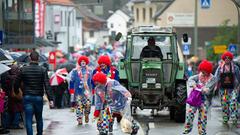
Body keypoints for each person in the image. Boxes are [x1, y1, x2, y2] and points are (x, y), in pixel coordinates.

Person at [14, 51, 54, 135]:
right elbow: (47, 85)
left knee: (28, 119)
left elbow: (16, 82)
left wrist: (16, 91)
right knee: (39, 118)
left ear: (29, 58)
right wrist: (50, 99)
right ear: (38, 58)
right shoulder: (43, 70)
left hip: (27, 97)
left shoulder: (23, 69)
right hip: (38, 97)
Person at [183, 60, 217, 135]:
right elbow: (190, 79)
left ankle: (202, 132)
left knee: (202, 117)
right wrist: (193, 84)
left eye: (204, 71)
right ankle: (187, 128)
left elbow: (209, 89)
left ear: (208, 70)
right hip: (195, 98)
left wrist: (205, 89)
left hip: (205, 100)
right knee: (190, 113)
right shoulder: (199, 75)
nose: (203, 73)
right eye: (202, 71)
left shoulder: (213, 78)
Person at [214, 51, 240, 125]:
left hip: (233, 89)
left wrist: (238, 87)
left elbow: (239, 78)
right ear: (223, 59)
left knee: (233, 101)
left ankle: (234, 116)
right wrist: (215, 87)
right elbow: (216, 78)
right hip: (223, 89)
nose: (227, 59)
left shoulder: (235, 68)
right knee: (225, 103)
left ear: (231, 59)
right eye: (226, 58)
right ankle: (225, 117)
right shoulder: (220, 68)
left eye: (229, 58)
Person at [91, 55, 120, 121]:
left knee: (110, 107)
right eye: (101, 63)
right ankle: (100, 120)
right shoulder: (96, 71)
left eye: (103, 63)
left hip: (111, 92)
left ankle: (110, 122)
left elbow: (117, 82)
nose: (102, 64)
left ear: (107, 63)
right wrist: (94, 90)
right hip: (100, 92)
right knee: (99, 105)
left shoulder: (114, 71)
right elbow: (93, 82)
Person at [69, 56, 92, 125]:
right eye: (81, 61)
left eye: (84, 61)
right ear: (79, 62)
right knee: (79, 105)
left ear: (86, 62)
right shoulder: (75, 71)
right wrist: (72, 90)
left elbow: (93, 81)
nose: (83, 62)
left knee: (88, 105)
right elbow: (71, 81)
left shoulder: (90, 71)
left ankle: (86, 114)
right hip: (78, 92)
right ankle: (79, 118)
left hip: (87, 92)